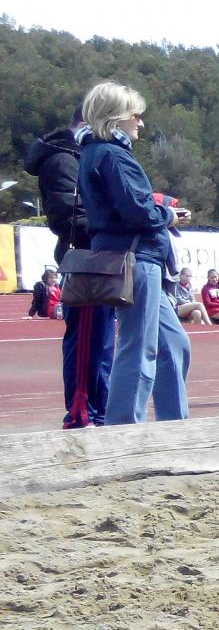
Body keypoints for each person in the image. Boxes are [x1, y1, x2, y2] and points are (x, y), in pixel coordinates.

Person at [78, 82, 192, 425]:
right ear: (116, 117)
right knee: (139, 347)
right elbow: (138, 212)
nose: (140, 122)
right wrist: (168, 215)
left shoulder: (96, 152)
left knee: (174, 343)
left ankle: (174, 426)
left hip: (134, 257)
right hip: (135, 258)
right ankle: (125, 429)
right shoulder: (112, 155)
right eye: (135, 115)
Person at [28, 104, 114, 427]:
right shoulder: (63, 160)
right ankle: (83, 415)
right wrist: (117, 223)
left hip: (102, 261)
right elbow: (69, 218)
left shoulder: (83, 155)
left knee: (103, 344)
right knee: (89, 344)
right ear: (91, 121)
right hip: (86, 263)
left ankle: (98, 412)